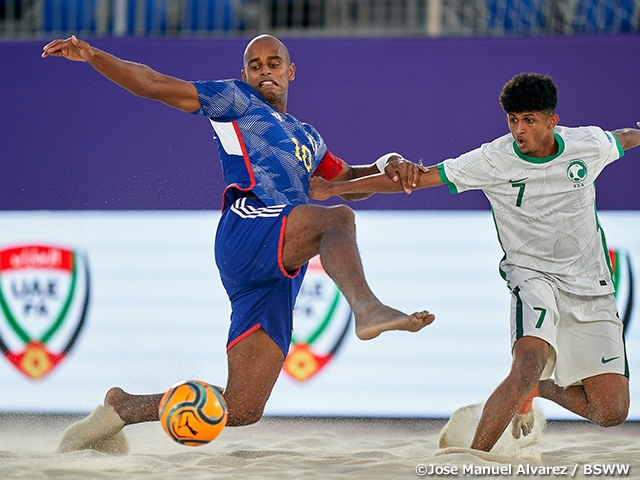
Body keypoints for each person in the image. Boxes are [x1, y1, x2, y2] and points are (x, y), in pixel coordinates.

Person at [41, 34, 434, 450]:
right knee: (337, 220)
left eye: (274, 63)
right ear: (244, 74)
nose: (265, 70)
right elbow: (152, 83)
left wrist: (388, 163)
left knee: (243, 407)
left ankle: (122, 408)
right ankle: (367, 308)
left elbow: (348, 184)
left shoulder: (308, 137)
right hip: (248, 227)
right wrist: (94, 55)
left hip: (281, 263)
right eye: (256, 65)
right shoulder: (235, 100)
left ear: (291, 71)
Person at [310, 72, 640, 452]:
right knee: (528, 360)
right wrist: (336, 188)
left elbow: (624, 138)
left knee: (610, 411)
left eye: (529, 120)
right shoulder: (492, 159)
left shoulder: (587, 144)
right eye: (513, 120)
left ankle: (540, 389)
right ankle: (472, 459)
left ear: (552, 121)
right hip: (533, 277)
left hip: (591, 284)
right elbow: (419, 180)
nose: (519, 129)